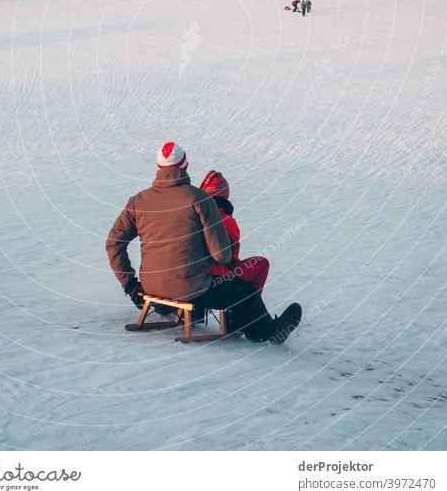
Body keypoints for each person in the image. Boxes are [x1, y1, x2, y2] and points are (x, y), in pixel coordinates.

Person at [106, 142, 302, 344]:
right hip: (193, 289)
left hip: (149, 288)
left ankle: (188, 313)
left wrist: (130, 285)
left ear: (158, 167)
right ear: (185, 166)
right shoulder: (200, 199)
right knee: (245, 293)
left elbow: (114, 243)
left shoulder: (138, 201)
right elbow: (222, 255)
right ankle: (267, 332)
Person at [200, 170, 269, 294]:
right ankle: (250, 309)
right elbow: (230, 257)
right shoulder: (227, 222)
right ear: (225, 196)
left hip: (188, 277)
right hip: (216, 280)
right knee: (261, 264)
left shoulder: (193, 215)